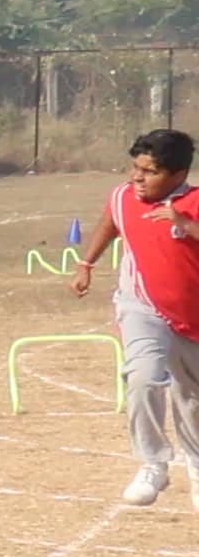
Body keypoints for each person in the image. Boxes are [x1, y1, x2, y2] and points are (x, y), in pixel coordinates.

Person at [74, 128, 199, 505]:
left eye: (150, 171)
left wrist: (184, 224)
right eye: (136, 168)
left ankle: (196, 465)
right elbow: (111, 222)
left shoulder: (194, 201)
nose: (138, 178)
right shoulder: (123, 196)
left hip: (192, 317)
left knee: (191, 399)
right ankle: (153, 462)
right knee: (143, 377)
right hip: (142, 306)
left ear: (178, 175)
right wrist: (86, 263)